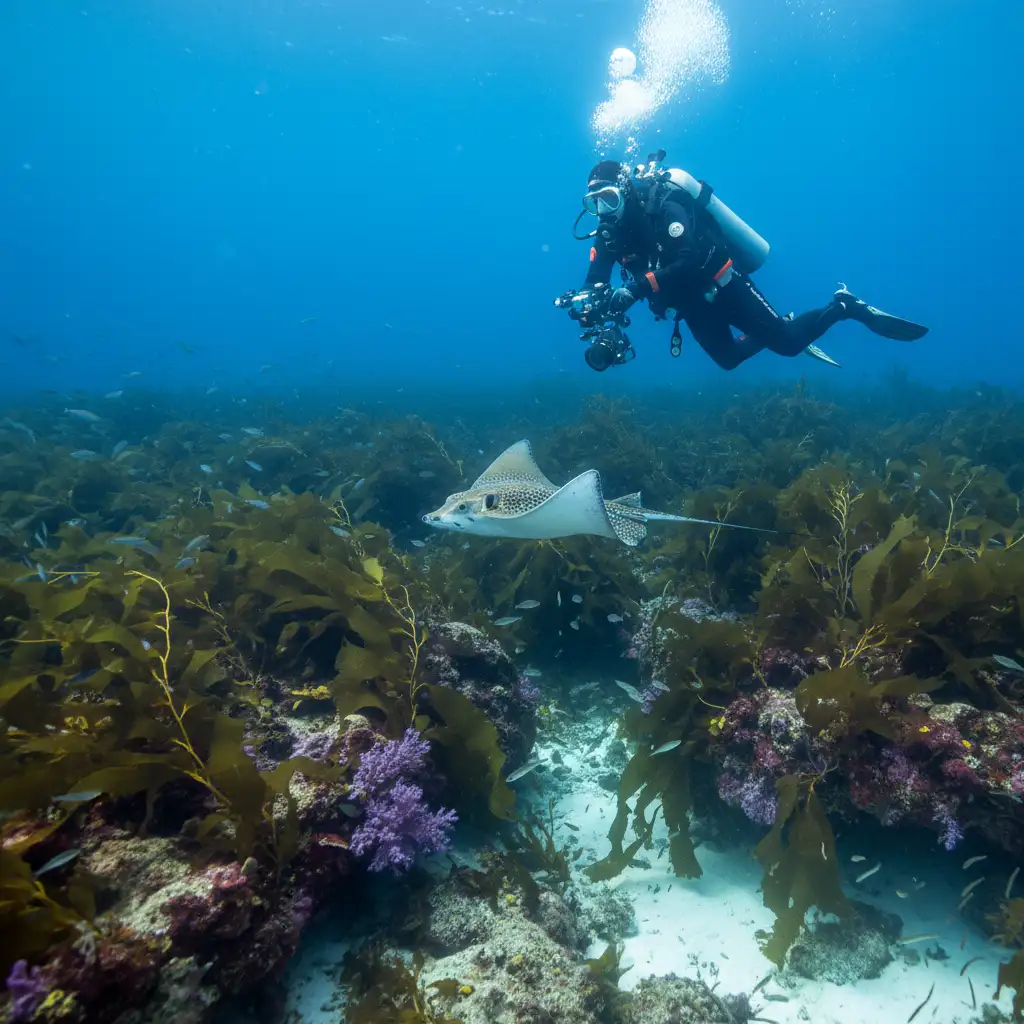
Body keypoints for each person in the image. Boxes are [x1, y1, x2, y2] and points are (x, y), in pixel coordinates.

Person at [569, 155, 928, 371]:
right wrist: (585, 303)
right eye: (594, 203)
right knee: (728, 360)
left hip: (722, 283)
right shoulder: (608, 233)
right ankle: (774, 326)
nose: (604, 211)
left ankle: (844, 306)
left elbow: (689, 260)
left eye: (610, 198)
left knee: (788, 346)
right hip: (690, 305)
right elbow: (595, 279)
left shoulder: (664, 206)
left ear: (627, 190)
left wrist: (636, 288)